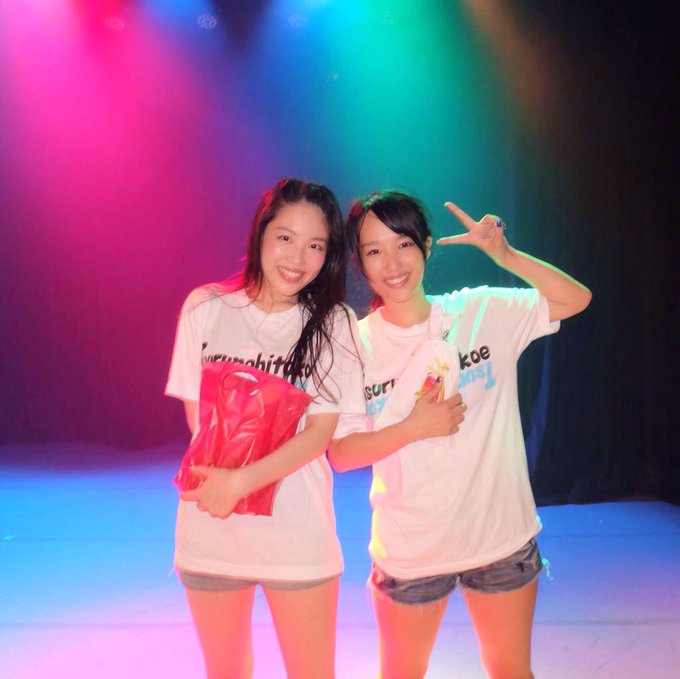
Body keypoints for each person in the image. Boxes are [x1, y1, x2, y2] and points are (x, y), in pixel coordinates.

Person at [329, 190, 592, 679]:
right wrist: (414, 427)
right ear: (358, 262)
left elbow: (576, 299)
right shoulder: (353, 346)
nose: (393, 263)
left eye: (404, 244)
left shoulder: (480, 312)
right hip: (411, 549)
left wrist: (506, 256)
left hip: (500, 539)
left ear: (427, 246)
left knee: (511, 671)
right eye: (374, 250)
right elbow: (341, 454)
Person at [165, 177, 365, 679]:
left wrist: (240, 483)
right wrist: (225, 487)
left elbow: (320, 434)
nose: (298, 258)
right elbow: (200, 422)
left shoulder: (334, 323)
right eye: (285, 238)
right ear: (260, 234)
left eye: (315, 245)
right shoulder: (205, 307)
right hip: (211, 526)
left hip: (296, 533)